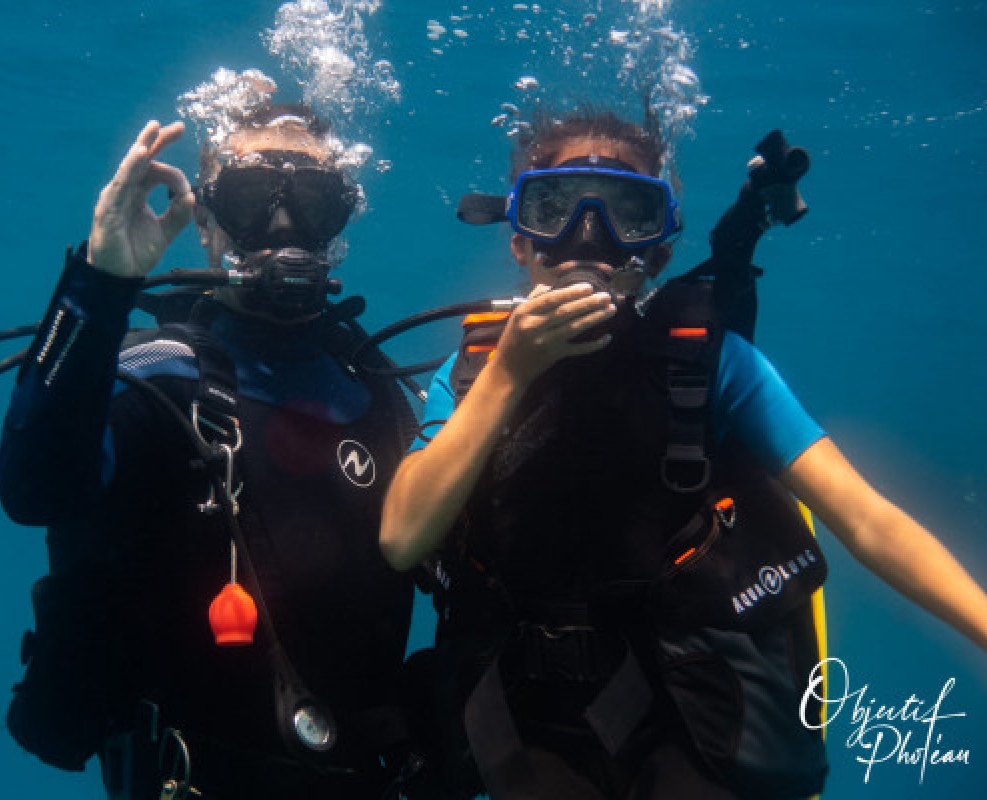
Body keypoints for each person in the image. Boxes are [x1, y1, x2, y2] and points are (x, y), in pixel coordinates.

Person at [379, 108, 987, 800]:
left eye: (627, 214)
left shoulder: (711, 363)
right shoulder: (475, 372)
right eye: (556, 208)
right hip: (531, 722)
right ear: (520, 241)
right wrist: (510, 374)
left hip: (690, 712)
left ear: (659, 253)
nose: (588, 238)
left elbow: (866, 519)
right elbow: (402, 538)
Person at [0, 105, 421, 799]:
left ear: (341, 219)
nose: (283, 226)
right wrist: (102, 282)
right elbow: (31, 488)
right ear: (208, 222)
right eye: (250, 199)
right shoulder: (158, 373)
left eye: (313, 200)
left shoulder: (377, 392)